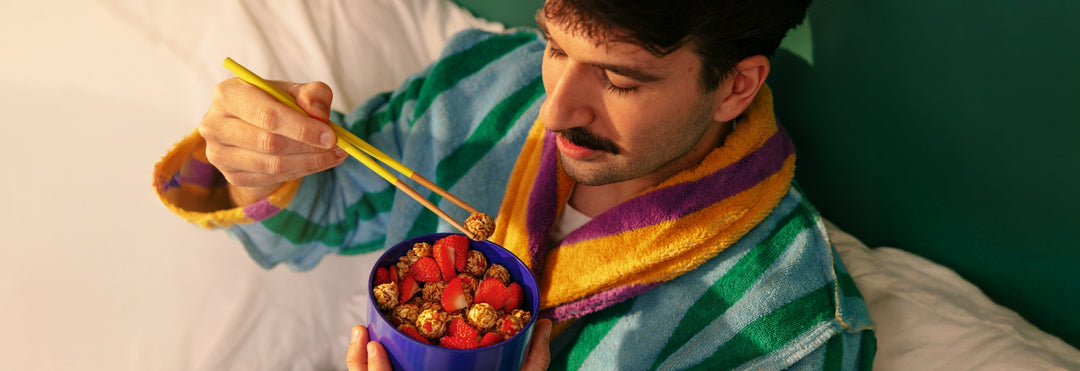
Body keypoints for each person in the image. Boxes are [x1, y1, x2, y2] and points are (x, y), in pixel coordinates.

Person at [153, 0, 877, 369]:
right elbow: (330, 209)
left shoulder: (795, 329)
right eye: (556, 46)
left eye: (619, 79)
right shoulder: (484, 85)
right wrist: (252, 157)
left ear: (736, 87)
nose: (556, 108)